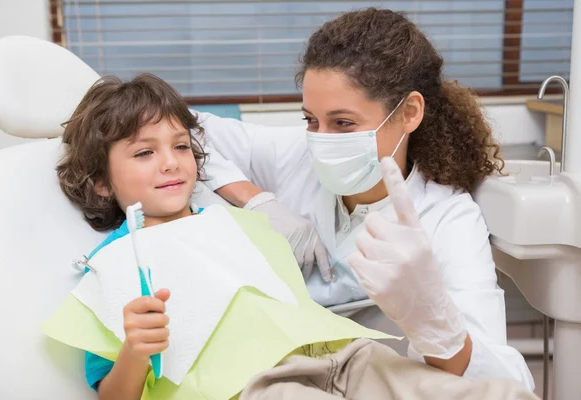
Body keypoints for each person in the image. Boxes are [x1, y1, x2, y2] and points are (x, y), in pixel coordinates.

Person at [55, 73, 539, 400]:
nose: (170, 162)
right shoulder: (114, 265)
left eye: (181, 147)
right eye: (144, 154)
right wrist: (136, 350)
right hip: (257, 385)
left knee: (491, 394)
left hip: (342, 355)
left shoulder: (234, 222)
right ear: (101, 181)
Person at [192, 8, 535, 390]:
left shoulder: (446, 217)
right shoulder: (294, 154)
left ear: (409, 113)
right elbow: (174, 125)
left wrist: (435, 324)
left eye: (343, 123)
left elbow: (508, 385)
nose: (320, 139)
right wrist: (255, 199)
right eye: (310, 119)